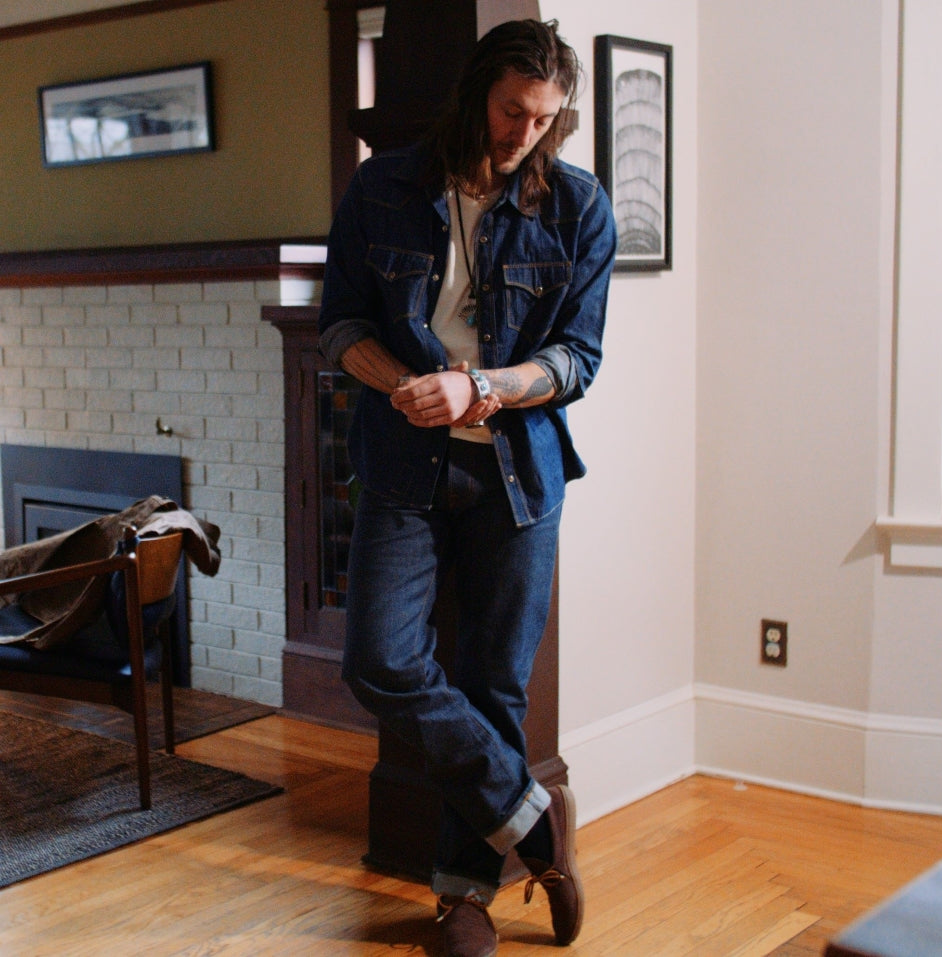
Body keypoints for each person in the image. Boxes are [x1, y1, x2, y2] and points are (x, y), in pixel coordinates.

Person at [318, 18, 616, 957]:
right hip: (404, 464)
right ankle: (533, 819)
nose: (523, 132)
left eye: (544, 119)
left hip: (519, 472)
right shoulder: (383, 189)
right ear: (477, 92)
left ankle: (463, 899)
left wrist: (480, 388)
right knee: (378, 656)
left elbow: (577, 360)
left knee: (493, 680)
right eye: (510, 110)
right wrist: (396, 384)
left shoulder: (578, 208)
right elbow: (340, 326)